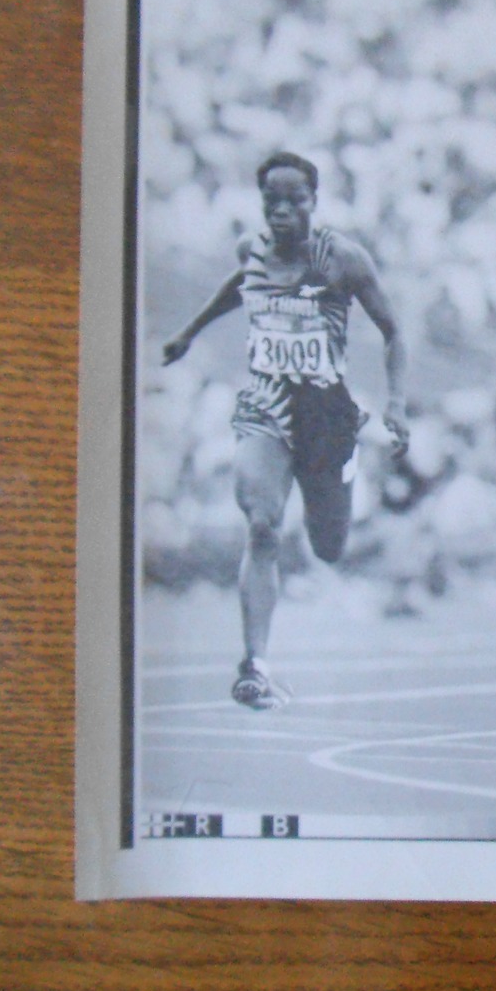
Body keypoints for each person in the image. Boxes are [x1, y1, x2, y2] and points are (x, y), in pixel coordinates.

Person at [164, 152, 409, 710]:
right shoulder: (250, 252)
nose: (282, 209)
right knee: (263, 524)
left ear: (313, 202)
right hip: (265, 410)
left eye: (294, 198)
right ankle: (255, 664)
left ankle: (344, 475)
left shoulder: (342, 258)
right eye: (271, 199)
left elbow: (394, 331)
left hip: (325, 418)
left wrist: (395, 402)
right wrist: (189, 333)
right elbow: (238, 285)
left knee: (328, 546)